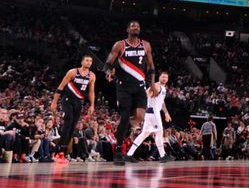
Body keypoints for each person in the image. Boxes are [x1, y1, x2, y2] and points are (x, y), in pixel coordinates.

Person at [104, 20, 156, 165]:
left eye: (138, 26)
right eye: (133, 26)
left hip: (140, 86)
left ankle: (120, 133)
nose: (136, 28)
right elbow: (108, 63)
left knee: (139, 117)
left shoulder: (146, 45)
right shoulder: (120, 44)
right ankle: (119, 151)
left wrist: (152, 84)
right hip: (124, 86)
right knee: (125, 116)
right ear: (127, 29)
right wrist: (108, 72)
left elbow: (151, 66)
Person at [50, 54, 95, 162]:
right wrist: (54, 102)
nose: (89, 62)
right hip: (67, 99)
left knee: (72, 127)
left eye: (91, 61)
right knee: (68, 122)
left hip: (79, 102)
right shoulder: (73, 72)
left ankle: (62, 153)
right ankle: (58, 152)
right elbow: (60, 87)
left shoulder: (92, 75)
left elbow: (91, 92)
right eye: (87, 60)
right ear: (82, 62)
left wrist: (92, 105)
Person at [126, 71, 172, 163]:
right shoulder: (156, 86)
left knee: (144, 134)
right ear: (159, 77)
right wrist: (141, 107)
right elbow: (145, 95)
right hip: (153, 111)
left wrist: (166, 113)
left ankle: (129, 154)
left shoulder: (163, 88)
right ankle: (163, 155)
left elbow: (162, 102)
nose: (164, 79)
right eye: (163, 77)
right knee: (159, 131)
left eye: (166, 77)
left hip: (151, 112)